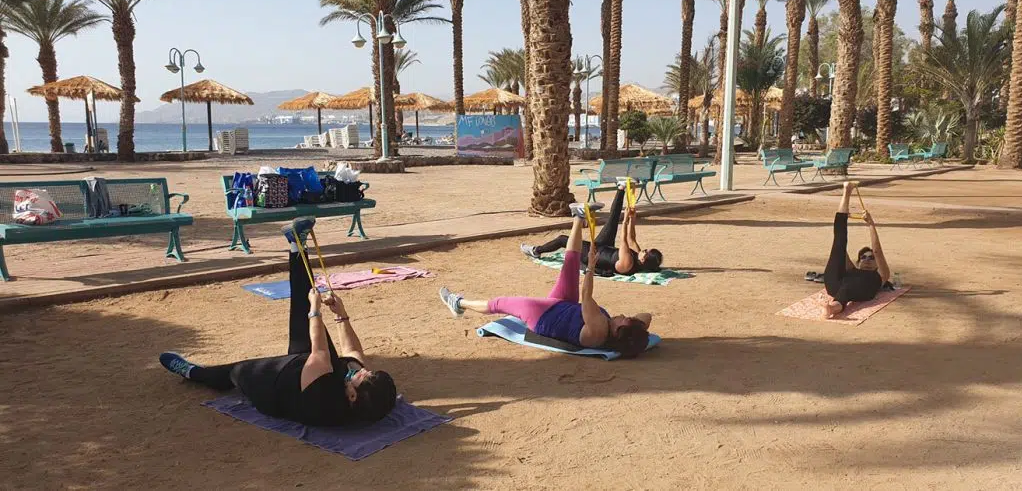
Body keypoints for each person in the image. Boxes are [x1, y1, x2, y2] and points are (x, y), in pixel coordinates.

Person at [157, 217, 397, 426]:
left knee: (233, 372)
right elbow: (353, 353)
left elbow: (320, 353)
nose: (363, 371)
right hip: (307, 365)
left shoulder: (324, 399)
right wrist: (340, 314)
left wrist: (315, 310)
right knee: (305, 307)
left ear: (352, 396)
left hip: (276, 386)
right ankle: (296, 244)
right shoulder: (359, 390)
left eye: (363, 376)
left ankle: (192, 372)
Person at [439, 203, 653, 359]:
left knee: (499, 303)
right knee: (570, 264)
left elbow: (586, 294)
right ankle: (578, 216)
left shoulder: (598, 329)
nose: (623, 315)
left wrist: (590, 266)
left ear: (618, 332)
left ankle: (458, 303)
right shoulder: (617, 330)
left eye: (624, 319)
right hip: (565, 305)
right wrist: (636, 327)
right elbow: (647, 316)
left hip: (544, 317)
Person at [520, 183, 663, 276]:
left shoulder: (627, 263)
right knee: (612, 221)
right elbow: (632, 238)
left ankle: (536, 251)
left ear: (643, 260)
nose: (643, 250)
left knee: (563, 239)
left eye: (645, 251)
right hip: (605, 247)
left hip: (591, 254)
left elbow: (624, 239)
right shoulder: (638, 258)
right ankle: (621, 188)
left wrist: (625, 219)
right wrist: (633, 218)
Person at [820, 182, 891, 318]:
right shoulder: (852, 269)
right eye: (863, 257)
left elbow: (877, 251)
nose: (867, 260)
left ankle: (831, 308)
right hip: (834, 285)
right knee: (838, 243)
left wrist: (871, 224)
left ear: (877, 264)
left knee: (847, 289)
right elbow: (840, 248)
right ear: (858, 262)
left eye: (871, 258)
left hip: (860, 290)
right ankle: (846, 191)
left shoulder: (881, 275)